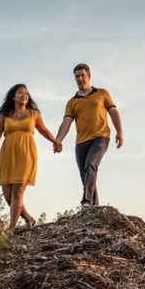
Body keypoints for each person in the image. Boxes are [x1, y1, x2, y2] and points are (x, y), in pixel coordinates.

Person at [0, 83, 57, 231]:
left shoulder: (33, 114)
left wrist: (55, 141)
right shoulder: (4, 114)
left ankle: (10, 229)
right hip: (7, 154)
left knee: (18, 193)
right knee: (8, 195)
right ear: (13, 97)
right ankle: (29, 218)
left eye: (26, 94)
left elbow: (44, 130)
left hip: (26, 154)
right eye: (20, 93)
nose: (24, 95)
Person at [53, 63, 123, 206]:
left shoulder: (102, 93)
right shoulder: (72, 102)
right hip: (81, 143)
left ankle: (86, 202)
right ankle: (94, 210)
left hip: (100, 137)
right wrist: (58, 140)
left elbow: (113, 112)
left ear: (89, 76)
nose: (80, 78)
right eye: (77, 76)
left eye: (82, 75)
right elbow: (66, 121)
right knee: (86, 176)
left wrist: (120, 132)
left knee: (91, 165)